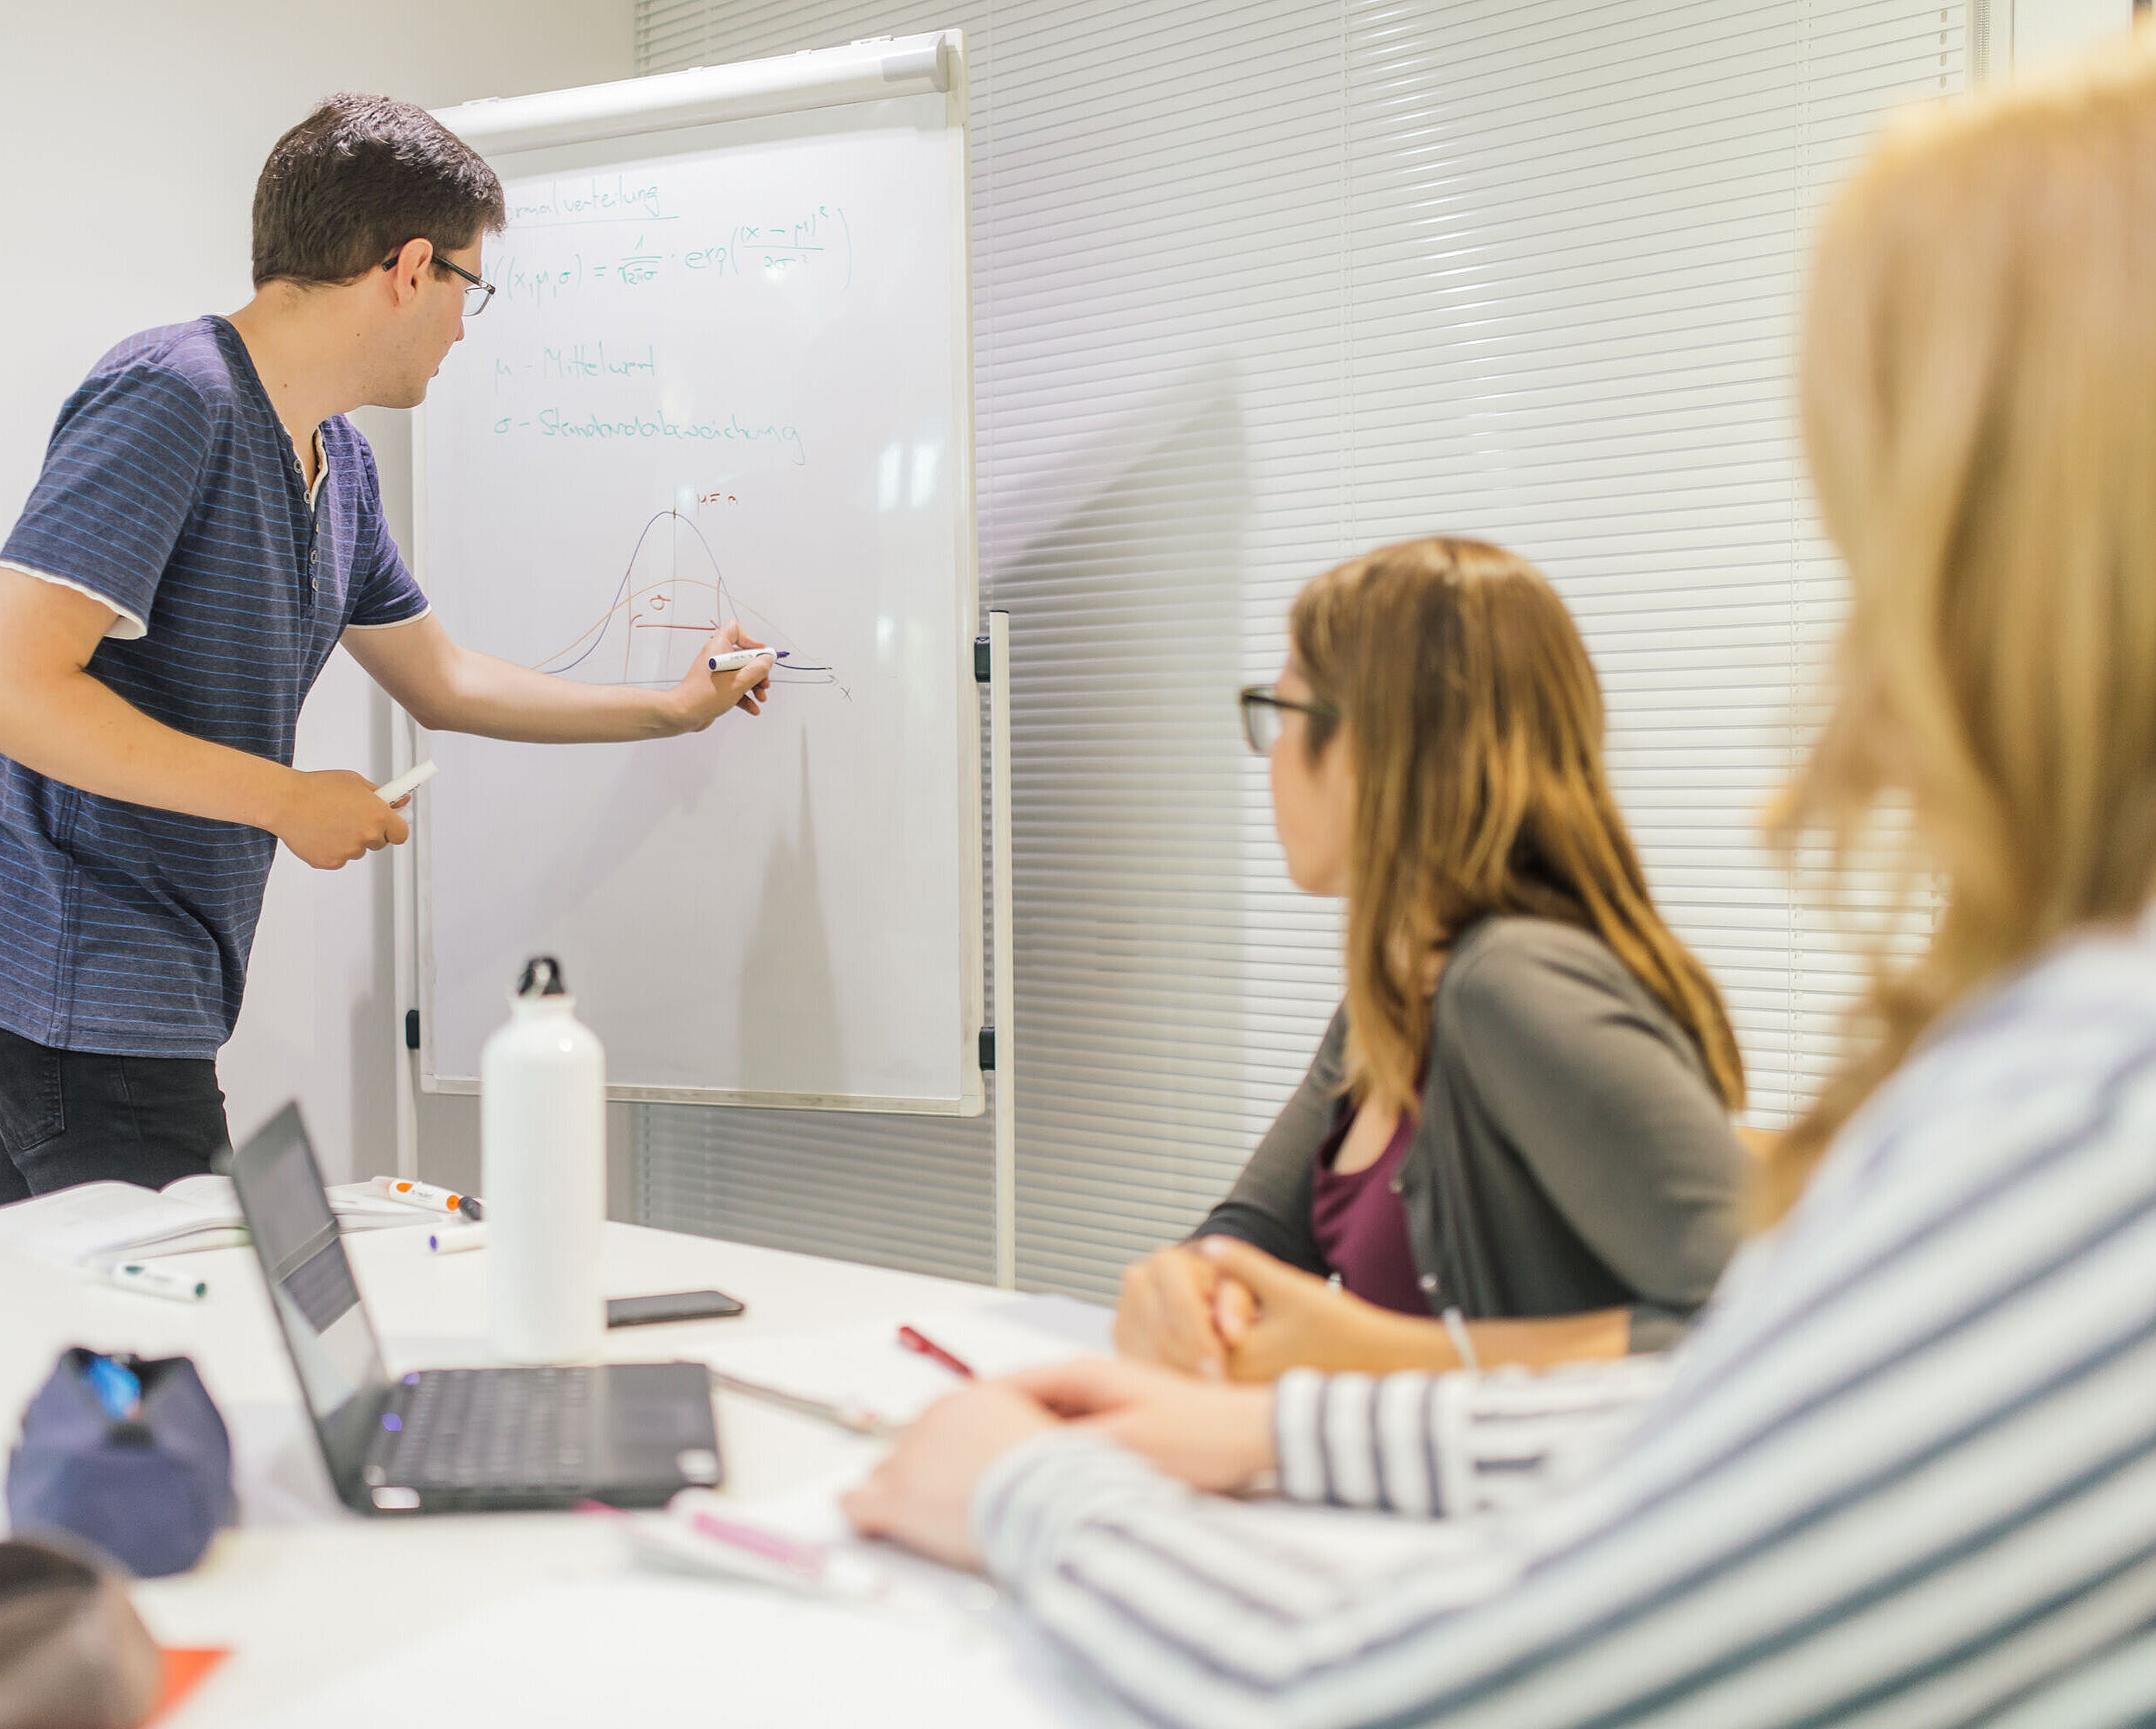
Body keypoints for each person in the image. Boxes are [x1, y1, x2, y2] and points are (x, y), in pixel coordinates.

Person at [846, 32, 2156, 1726]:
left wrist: (1017, 1486)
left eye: (1879, 545)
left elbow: (1403, 1686)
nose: (1845, 664)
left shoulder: (2088, 1105)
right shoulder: (1408, 985)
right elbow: (1764, 1408)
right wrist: (1274, 1416)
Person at [0, 95, 774, 1208]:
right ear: (409, 268)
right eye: (471, 285)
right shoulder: (172, 396)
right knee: (199, 1325)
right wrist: (284, 798)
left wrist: (669, 709)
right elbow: (3, 690)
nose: (467, 323)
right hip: (77, 970)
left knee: (85, 1343)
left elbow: (444, 679)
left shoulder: (340, 468)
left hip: (144, 983)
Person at [1116, 538, 1749, 1381]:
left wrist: (1391, 1356)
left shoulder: (1511, 987)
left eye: (1284, 712)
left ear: (1384, 749)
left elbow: (1758, 1319)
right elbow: (1259, 1233)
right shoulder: (1385, 999)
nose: (1268, 758)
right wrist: (1191, 1286)